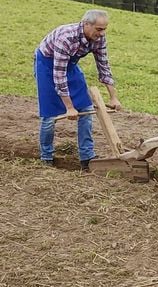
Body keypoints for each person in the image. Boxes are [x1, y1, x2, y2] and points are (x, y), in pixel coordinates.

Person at [34, 9, 122, 171]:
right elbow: (59, 75)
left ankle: (87, 156)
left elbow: (104, 67)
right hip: (48, 64)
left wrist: (113, 97)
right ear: (86, 24)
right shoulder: (66, 38)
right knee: (49, 115)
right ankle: (46, 156)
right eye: (99, 29)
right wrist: (69, 107)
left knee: (86, 108)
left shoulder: (99, 39)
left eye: (104, 29)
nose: (102, 33)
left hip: (70, 64)